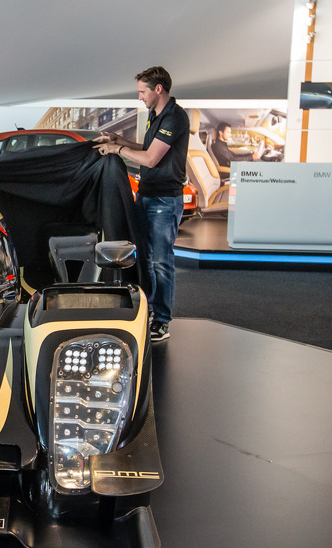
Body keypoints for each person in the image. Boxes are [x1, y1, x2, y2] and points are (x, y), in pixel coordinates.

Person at [93, 66, 189, 342]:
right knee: (145, 260)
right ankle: (147, 312)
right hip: (146, 195)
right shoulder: (155, 114)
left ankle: (161, 321)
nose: (140, 98)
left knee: (161, 262)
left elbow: (150, 159)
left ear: (158, 89)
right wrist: (117, 139)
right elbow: (145, 146)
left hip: (163, 200)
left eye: (142, 92)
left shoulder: (175, 117)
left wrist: (116, 150)